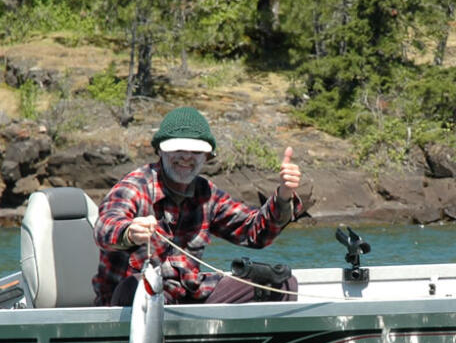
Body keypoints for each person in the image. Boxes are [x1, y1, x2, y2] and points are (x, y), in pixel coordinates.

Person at [92, 106, 303, 306]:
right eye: (178, 149)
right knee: (137, 288)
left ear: (207, 157)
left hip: (188, 294)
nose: (186, 156)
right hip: (134, 302)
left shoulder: (208, 194)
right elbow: (104, 228)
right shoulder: (134, 186)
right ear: (160, 151)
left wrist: (284, 195)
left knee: (282, 284)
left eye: (195, 151)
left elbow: (255, 232)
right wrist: (129, 232)